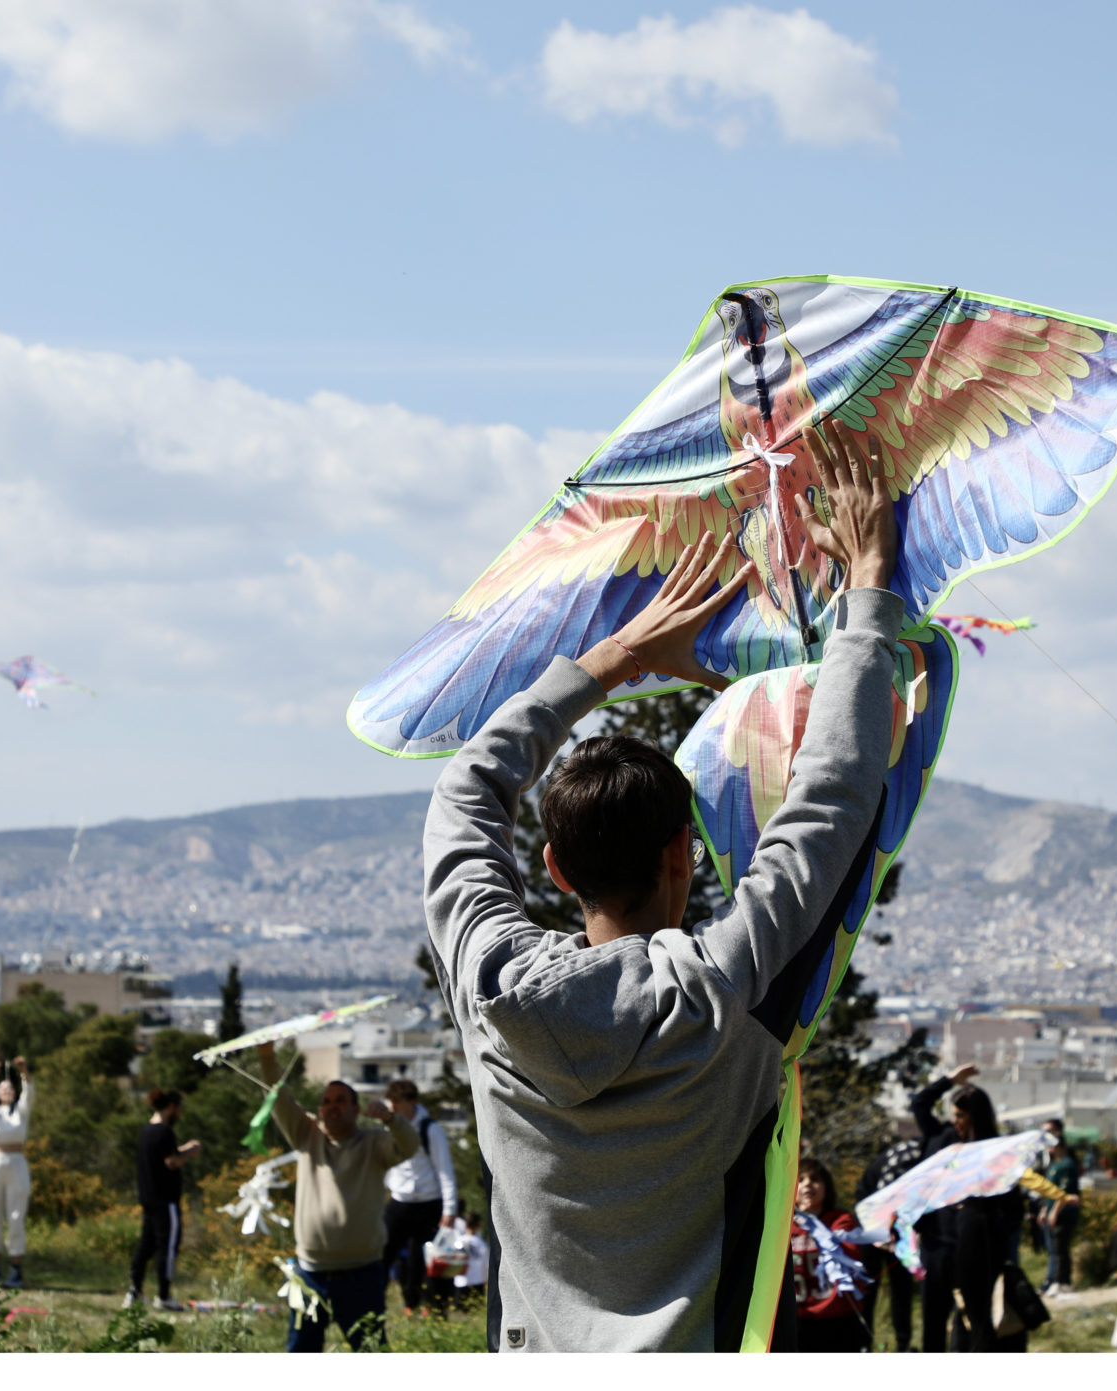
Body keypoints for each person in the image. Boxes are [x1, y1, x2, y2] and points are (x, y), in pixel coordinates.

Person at [420, 429, 900, 1352]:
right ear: (685, 854)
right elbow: (832, 795)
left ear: (554, 869)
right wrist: (867, 584)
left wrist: (611, 660)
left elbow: (465, 790)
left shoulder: (490, 991)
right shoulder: (728, 987)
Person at [255, 1044, 419, 1351]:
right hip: (310, 1272)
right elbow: (277, 1096)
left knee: (369, 1351)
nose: (332, 1107)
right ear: (318, 1110)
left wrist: (390, 1119)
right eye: (326, 1101)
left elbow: (410, 1146)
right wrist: (266, 1057)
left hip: (362, 1272)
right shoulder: (307, 1135)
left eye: (341, 1101)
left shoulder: (374, 1143)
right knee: (302, 1352)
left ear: (356, 1109)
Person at [912, 1068, 1026, 1351]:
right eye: (953, 1114)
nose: (955, 1121)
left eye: (961, 1116)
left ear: (977, 1117)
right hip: (937, 1248)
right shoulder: (941, 1140)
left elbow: (1013, 1210)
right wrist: (949, 1081)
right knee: (933, 1325)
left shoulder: (994, 1154)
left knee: (974, 1327)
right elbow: (919, 1104)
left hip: (977, 1254)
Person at [381, 1077, 458, 1317]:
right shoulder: (388, 1128)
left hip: (429, 1203)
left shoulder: (430, 1129)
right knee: (382, 1255)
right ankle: (389, 1304)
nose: (392, 1106)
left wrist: (450, 1209)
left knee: (433, 1261)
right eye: (390, 1101)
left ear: (411, 1101)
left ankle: (437, 1309)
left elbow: (445, 1170)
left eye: (397, 1101)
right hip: (399, 1202)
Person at [128, 1088, 201, 1311]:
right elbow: (171, 1162)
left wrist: (182, 1150)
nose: (180, 1113)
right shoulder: (165, 1132)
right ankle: (164, 1296)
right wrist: (191, 1151)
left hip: (148, 1198)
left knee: (146, 1246)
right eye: (180, 1108)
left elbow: (163, 1157)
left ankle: (135, 1291)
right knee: (168, 1248)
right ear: (171, 1107)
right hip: (166, 1200)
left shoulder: (146, 1130)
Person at [787, 1159, 868, 1353]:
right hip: (798, 1319)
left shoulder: (841, 1220)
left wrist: (812, 1223)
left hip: (838, 1319)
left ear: (826, 1187)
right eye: (801, 1179)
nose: (807, 1184)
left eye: (815, 1179)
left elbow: (845, 1250)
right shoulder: (785, 1226)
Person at [854, 1135, 921, 1352]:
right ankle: (864, 1343)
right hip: (872, 1221)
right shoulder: (906, 1155)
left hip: (896, 1223)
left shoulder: (923, 1155)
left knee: (901, 1285)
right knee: (869, 1285)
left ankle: (903, 1343)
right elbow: (886, 1196)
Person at [0, 1057, 35, 1289]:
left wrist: (23, 1072)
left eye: (10, 1088)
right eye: (3, 1088)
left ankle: (16, 1267)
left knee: (16, 1216)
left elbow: (30, 1093)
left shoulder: (21, 1111)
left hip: (17, 1162)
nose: (7, 1091)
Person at [1037, 1118, 1081, 1295]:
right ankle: (1054, 1279)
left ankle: (1062, 1281)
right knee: (1053, 1249)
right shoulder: (1054, 1165)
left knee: (1060, 1248)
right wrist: (1044, 1210)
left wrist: (1054, 1212)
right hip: (1051, 1211)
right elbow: (1050, 1192)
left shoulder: (1067, 1164)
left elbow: (1064, 1193)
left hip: (1064, 1213)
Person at [452, 1212, 490, 1311]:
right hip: (477, 1280)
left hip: (460, 1280)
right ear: (479, 1225)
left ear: (465, 1225)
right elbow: (487, 1263)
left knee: (460, 1310)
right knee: (475, 1309)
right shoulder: (481, 1243)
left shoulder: (458, 1241)